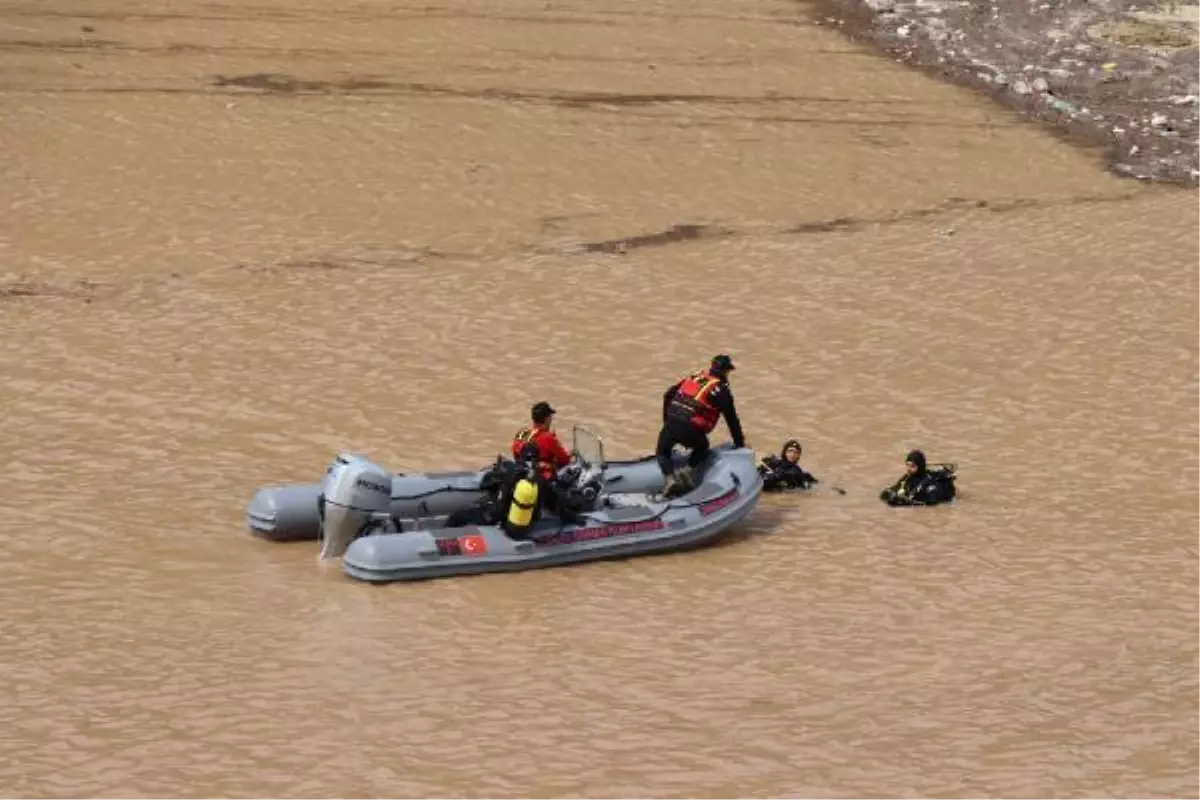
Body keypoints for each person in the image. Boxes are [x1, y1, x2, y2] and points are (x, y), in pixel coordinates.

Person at [656, 354, 746, 498]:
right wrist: (740, 444)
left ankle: (669, 478)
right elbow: (732, 420)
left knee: (662, 452)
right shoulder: (722, 391)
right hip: (691, 430)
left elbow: (668, 395)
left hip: (671, 424)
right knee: (703, 447)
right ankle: (687, 470)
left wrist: (667, 421)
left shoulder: (695, 377)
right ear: (725, 372)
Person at [511, 401, 573, 514]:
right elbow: (565, 460)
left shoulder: (523, 433)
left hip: (522, 475)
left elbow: (515, 452)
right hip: (542, 481)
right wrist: (571, 453)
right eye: (550, 416)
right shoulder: (549, 438)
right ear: (547, 418)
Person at [879, 449, 957, 507]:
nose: (909, 468)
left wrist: (905, 502)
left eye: (913, 466)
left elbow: (931, 502)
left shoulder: (929, 482)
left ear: (920, 466)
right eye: (907, 465)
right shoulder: (907, 477)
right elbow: (893, 489)